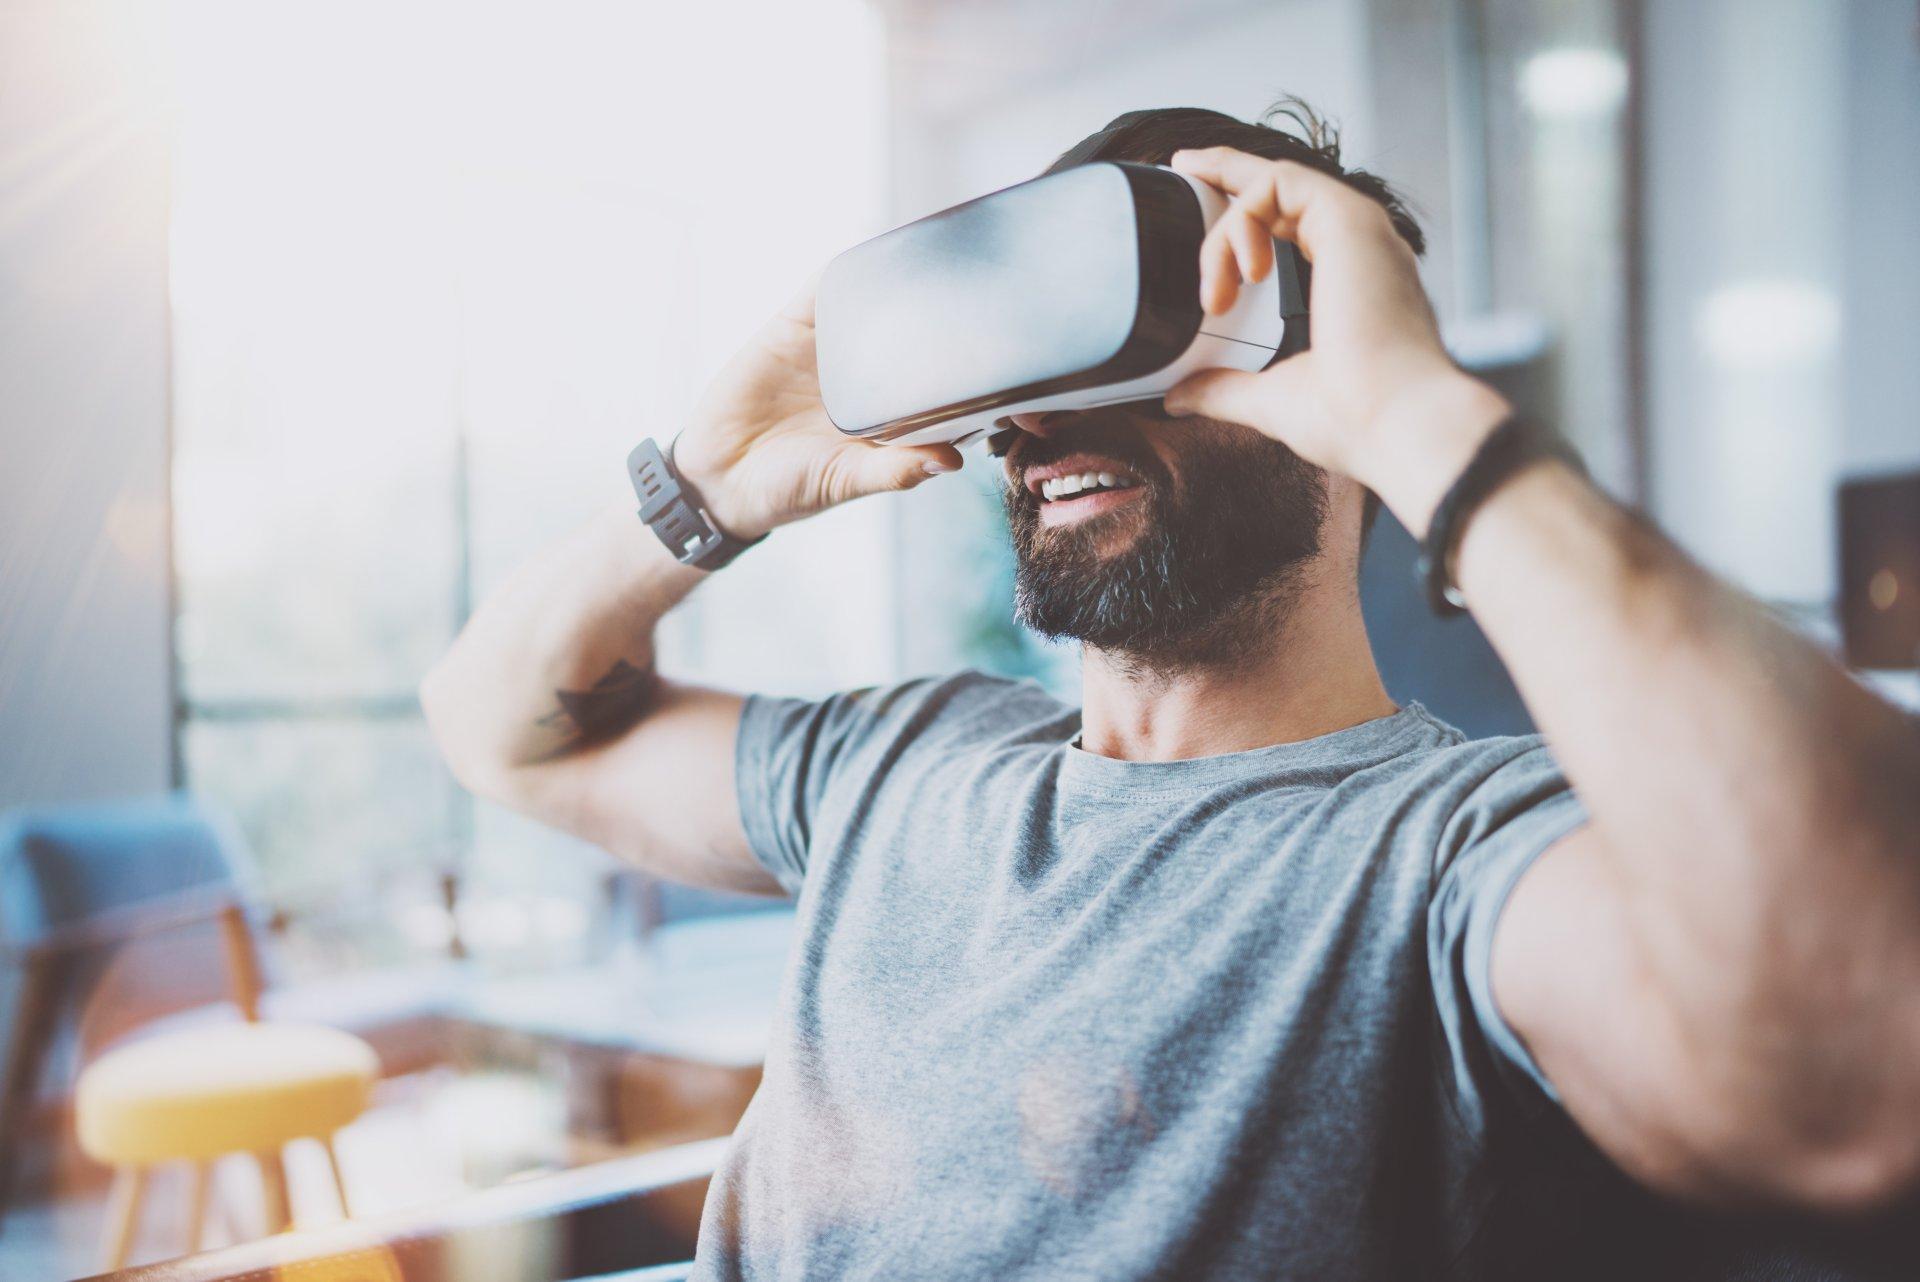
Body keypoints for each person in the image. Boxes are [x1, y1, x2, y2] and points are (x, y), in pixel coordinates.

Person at [420, 105, 1920, 1279]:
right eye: (1030, 354)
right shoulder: (905, 755)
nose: (1046, 412)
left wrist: (1416, 412)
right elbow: (502, 729)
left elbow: (1863, 1071)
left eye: (1146, 333)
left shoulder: (1456, 849)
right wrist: (702, 492)